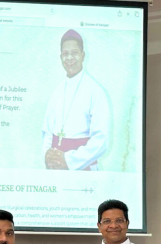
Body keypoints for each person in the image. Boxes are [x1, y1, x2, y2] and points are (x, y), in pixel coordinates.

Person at [42, 29, 110, 171]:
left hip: (83, 168)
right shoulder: (56, 92)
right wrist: (47, 155)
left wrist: (68, 160)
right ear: (60, 57)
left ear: (83, 55)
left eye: (74, 53)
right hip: (56, 169)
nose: (69, 58)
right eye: (65, 54)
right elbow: (47, 132)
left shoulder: (95, 91)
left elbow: (101, 140)